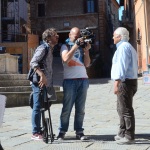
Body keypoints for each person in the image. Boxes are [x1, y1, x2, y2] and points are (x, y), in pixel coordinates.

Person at [57, 27, 91, 141]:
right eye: (75, 36)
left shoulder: (82, 48)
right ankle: (62, 131)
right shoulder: (64, 46)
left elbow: (87, 64)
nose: (78, 38)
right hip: (70, 81)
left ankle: (79, 131)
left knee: (80, 109)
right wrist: (75, 45)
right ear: (69, 35)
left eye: (79, 36)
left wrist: (86, 51)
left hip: (83, 79)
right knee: (67, 108)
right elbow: (66, 59)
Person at [30, 28, 59, 140]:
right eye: (54, 35)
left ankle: (42, 130)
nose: (57, 36)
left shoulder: (50, 49)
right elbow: (33, 62)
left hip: (46, 83)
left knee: (44, 105)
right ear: (48, 38)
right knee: (37, 106)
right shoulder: (43, 48)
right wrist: (41, 75)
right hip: (39, 82)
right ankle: (35, 132)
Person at [111, 27, 138, 144]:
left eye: (114, 35)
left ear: (119, 37)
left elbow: (122, 67)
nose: (112, 37)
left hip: (125, 82)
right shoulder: (129, 47)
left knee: (126, 109)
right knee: (120, 108)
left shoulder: (123, 48)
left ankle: (129, 136)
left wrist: (116, 83)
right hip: (130, 81)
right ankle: (122, 132)